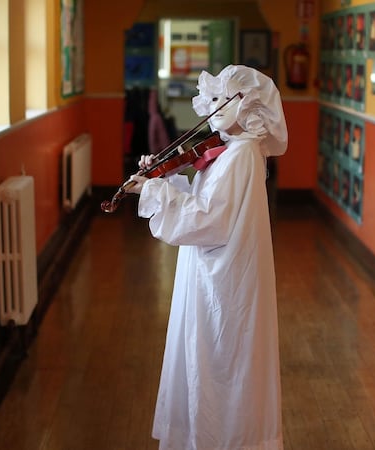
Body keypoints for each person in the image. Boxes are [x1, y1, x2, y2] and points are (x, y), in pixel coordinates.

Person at [125, 64, 287, 450]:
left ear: (248, 105)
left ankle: (220, 438)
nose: (213, 109)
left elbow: (207, 219)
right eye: (211, 99)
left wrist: (152, 193)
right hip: (215, 268)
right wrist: (162, 179)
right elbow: (206, 201)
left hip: (223, 276)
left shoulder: (241, 155)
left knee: (219, 360)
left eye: (222, 99)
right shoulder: (232, 149)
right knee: (211, 357)